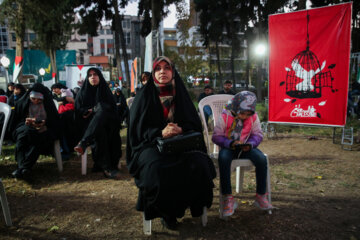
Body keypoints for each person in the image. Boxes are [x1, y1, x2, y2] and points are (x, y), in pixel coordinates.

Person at [127, 56, 216, 230]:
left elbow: (193, 123)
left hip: (182, 143)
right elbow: (136, 130)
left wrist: (181, 130)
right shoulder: (143, 96)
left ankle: (195, 206)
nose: (162, 72)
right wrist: (160, 132)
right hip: (151, 145)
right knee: (156, 169)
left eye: (166, 68)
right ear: (153, 73)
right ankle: (167, 213)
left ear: (172, 72)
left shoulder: (181, 94)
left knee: (198, 163)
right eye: (158, 69)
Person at [212, 91, 273, 217]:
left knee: (261, 159)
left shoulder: (253, 117)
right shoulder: (225, 116)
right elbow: (216, 136)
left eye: (248, 114)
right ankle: (227, 197)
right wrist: (231, 143)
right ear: (235, 107)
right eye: (242, 113)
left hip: (246, 147)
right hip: (229, 147)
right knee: (223, 159)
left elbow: (258, 134)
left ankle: (261, 196)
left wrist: (250, 144)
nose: (245, 116)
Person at [74, 67, 122, 179]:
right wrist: (87, 111)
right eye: (90, 75)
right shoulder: (82, 93)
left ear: (99, 77)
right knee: (100, 132)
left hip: (108, 124)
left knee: (101, 108)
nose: (93, 77)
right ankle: (107, 168)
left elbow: (113, 111)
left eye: (95, 74)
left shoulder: (106, 92)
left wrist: (98, 110)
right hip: (89, 125)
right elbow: (78, 110)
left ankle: (84, 143)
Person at [9, 83, 61, 179]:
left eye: (39, 100)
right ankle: (24, 168)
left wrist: (45, 122)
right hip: (25, 129)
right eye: (33, 99)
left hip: (44, 130)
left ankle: (22, 168)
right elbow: (16, 121)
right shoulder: (22, 103)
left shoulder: (48, 104)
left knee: (38, 138)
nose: (36, 101)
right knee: (23, 136)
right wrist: (27, 121)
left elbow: (55, 121)